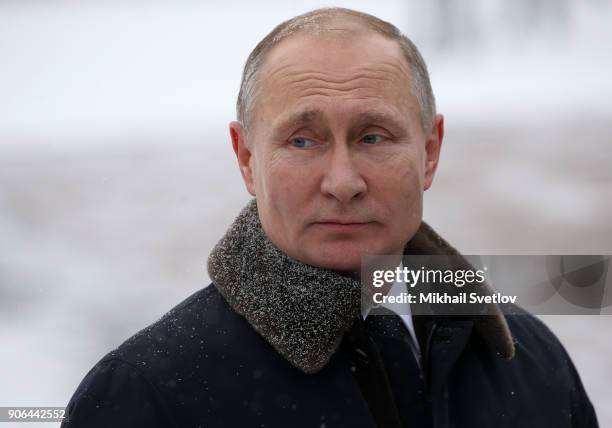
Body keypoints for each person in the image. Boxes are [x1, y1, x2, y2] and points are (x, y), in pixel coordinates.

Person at [61, 7, 598, 428]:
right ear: (246, 158)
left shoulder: (528, 361)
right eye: (302, 140)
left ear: (430, 151)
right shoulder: (149, 393)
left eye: (372, 136)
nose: (343, 182)